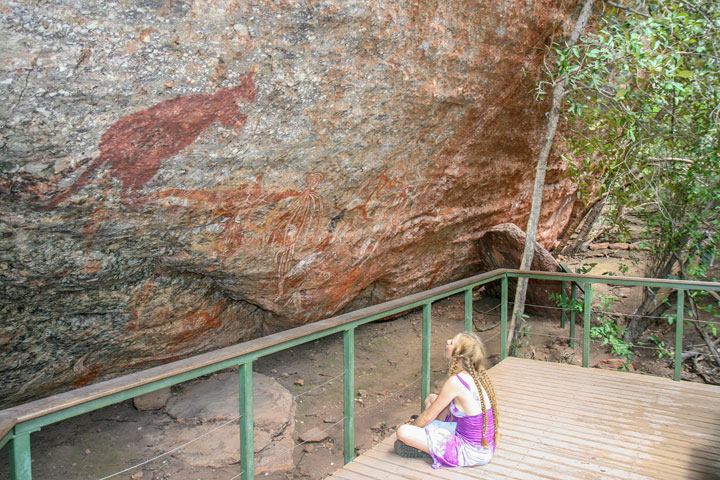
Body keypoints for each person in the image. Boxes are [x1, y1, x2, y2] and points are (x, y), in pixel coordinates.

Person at [394, 332, 499, 469]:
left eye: (451, 343)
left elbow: (427, 416)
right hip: (482, 445)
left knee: (403, 432)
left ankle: (428, 450)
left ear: (458, 354)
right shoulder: (475, 373)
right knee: (432, 398)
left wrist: (414, 428)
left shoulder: (456, 382)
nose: (447, 341)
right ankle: (425, 440)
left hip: (470, 452)